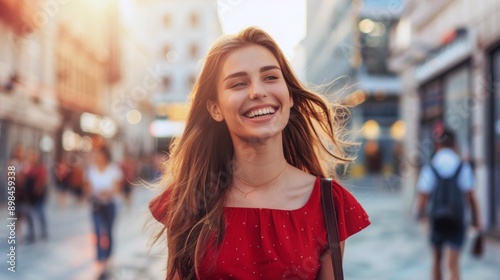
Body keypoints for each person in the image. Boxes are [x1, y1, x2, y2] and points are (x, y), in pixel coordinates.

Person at [149, 27, 370, 279]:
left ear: (289, 97)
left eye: (271, 78)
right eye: (239, 83)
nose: (257, 91)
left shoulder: (327, 203)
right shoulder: (188, 199)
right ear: (215, 109)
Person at [417, 128, 481, 280]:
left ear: (437, 145)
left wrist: (422, 217)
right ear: (454, 145)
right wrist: (476, 221)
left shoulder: (430, 167)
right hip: (457, 220)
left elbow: (423, 197)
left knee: (437, 261)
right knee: (453, 264)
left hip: (437, 219)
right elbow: (471, 197)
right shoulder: (463, 167)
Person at [84, 146, 123, 279]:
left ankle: (108, 257)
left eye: (99, 155)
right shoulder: (91, 169)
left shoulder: (113, 169)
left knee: (108, 231)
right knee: (98, 232)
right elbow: (88, 186)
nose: (97, 157)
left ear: (105, 156)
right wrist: (93, 193)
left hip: (110, 205)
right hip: (96, 205)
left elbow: (117, 187)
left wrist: (107, 193)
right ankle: (100, 259)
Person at [23, 150, 48, 243]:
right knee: (29, 216)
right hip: (30, 196)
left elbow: (43, 180)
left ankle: (43, 231)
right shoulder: (27, 167)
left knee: (40, 214)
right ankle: (31, 234)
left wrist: (38, 189)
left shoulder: (40, 168)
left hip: (38, 196)